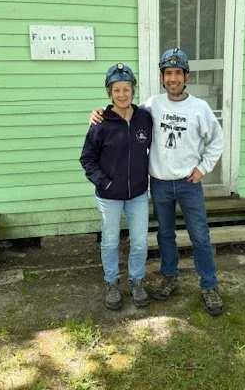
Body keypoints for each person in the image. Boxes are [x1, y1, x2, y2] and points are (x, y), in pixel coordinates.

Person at [91, 48, 225, 315]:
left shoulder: (199, 108)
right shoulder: (152, 105)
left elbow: (216, 140)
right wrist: (98, 113)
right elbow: (123, 114)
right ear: (162, 77)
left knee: (200, 236)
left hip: (189, 183)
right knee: (165, 235)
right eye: (168, 73)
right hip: (160, 184)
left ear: (186, 76)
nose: (173, 78)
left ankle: (209, 286)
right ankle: (169, 277)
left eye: (177, 73)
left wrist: (203, 168)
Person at [80, 63, 153, 311]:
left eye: (127, 89)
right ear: (109, 92)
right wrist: (106, 182)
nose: (122, 94)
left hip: (138, 194)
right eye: (117, 89)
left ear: (133, 90)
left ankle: (137, 281)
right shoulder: (100, 122)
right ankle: (112, 283)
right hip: (109, 196)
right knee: (110, 241)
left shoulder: (145, 118)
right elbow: (87, 159)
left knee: (140, 241)